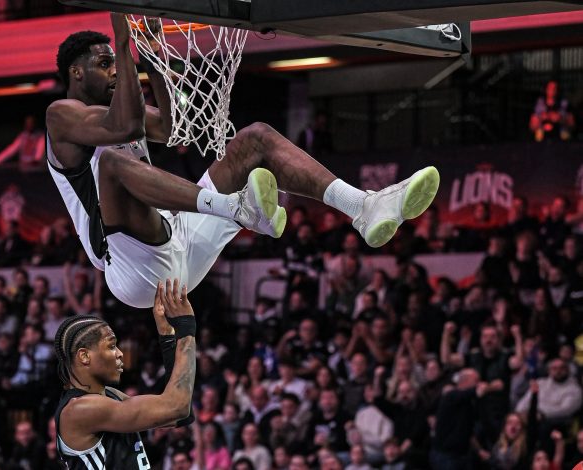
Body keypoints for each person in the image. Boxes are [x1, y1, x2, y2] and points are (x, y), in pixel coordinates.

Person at [46, 15, 440, 308]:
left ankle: (363, 206)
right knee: (111, 165)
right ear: (76, 72)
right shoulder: (61, 115)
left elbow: (169, 126)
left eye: (114, 62)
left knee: (255, 139)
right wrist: (123, 39)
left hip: (178, 239)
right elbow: (126, 123)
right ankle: (235, 208)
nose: (114, 69)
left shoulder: (118, 111)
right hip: (130, 266)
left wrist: (150, 52)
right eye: (104, 64)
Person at [54, 279, 196, 468]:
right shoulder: (79, 410)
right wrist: (186, 328)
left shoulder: (110, 396)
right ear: (84, 356)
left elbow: (180, 414)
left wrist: (167, 334)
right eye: (112, 346)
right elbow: (177, 406)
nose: (120, 353)